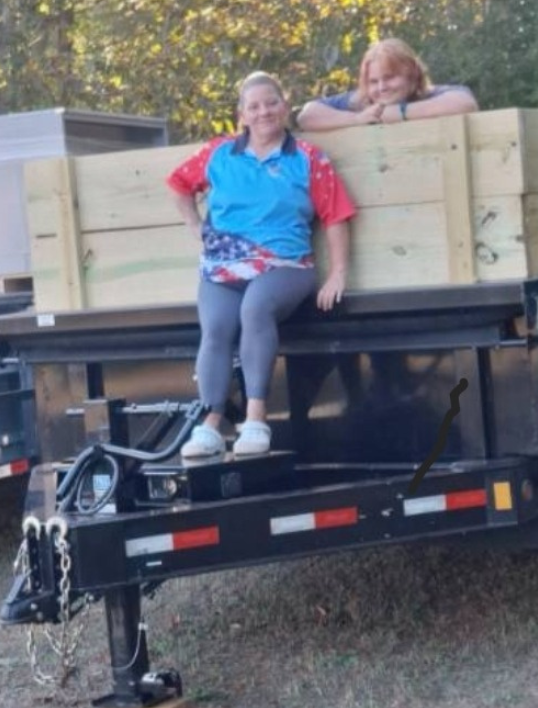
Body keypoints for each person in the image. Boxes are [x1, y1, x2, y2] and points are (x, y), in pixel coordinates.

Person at [167, 71, 356, 458]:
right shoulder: (219, 153)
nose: (264, 112)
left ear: (284, 107)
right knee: (216, 327)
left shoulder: (307, 157)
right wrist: (194, 225)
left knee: (255, 309)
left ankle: (256, 419)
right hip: (223, 266)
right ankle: (211, 423)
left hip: (285, 264)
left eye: (271, 103)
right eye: (254, 106)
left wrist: (338, 272)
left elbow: (335, 215)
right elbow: (179, 184)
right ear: (242, 115)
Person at [296, 38, 478, 131]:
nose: (382, 87)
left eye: (390, 77)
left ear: (412, 73)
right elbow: (307, 116)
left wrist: (401, 113)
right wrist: (357, 120)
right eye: (373, 81)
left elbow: (465, 103)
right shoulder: (359, 102)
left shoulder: (429, 94)